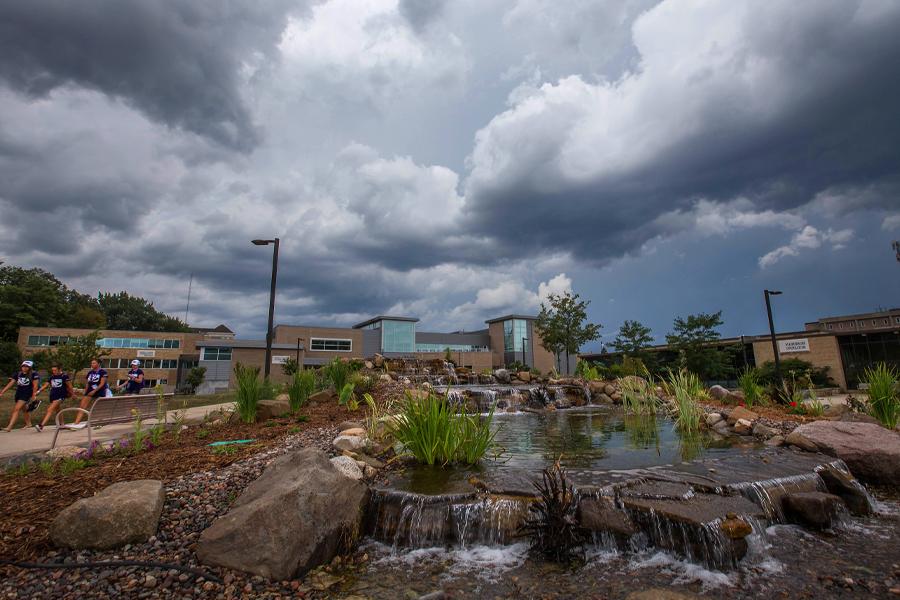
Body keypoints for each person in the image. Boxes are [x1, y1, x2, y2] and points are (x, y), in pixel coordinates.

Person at [1, 360, 40, 432]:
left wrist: (34, 395)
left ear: (30, 367)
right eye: (23, 366)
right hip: (19, 393)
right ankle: (29, 424)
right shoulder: (18, 374)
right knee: (24, 409)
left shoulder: (34, 374)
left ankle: (9, 427)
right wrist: (2, 391)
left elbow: (35, 386)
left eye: (27, 367)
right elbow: (11, 383)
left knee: (16, 409)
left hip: (27, 393)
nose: (24, 368)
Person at [34, 363, 74, 432]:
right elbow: (46, 385)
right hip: (53, 395)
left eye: (55, 370)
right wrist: (39, 391)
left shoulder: (64, 376)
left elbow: (70, 386)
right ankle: (62, 424)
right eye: (53, 370)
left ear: (60, 369)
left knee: (50, 409)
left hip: (61, 395)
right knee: (58, 409)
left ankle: (41, 425)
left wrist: (72, 394)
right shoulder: (52, 377)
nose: (54, 372)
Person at [72, 359, 107, 428]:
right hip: (89, 392)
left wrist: (94, 391)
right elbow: (88, 383)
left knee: (97, 408)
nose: (92, 364)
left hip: (99, 392)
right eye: (91, 363)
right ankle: (76, 423)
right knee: (82, 407)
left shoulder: (103, 372)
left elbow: (102, 383)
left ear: (98, 364)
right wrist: (86, 390)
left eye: (94, 363)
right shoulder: (90, 372)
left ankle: (98, 422)